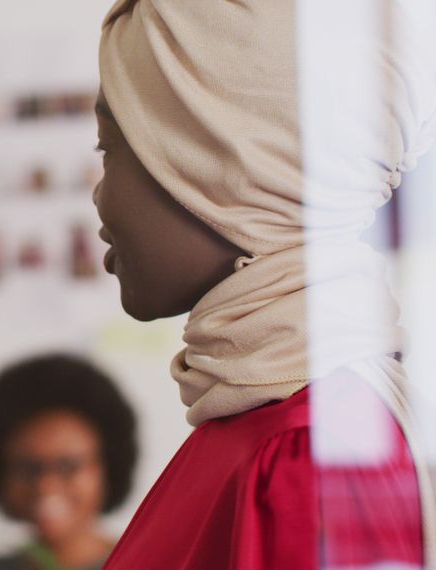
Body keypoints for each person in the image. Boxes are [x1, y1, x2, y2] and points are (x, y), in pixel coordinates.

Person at [93, 1, 436, 568]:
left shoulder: (307, 453)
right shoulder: (266, 420)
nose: (99, 196)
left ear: (233, 171)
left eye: (110, 148)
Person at [0, 354, 138, 570]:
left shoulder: (154, 563)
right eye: (28, 469)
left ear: (107, 467)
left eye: (68, 466)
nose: (46, 485)